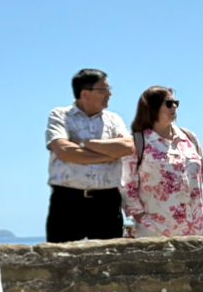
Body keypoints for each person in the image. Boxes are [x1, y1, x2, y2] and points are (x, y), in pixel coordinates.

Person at [44, 68, 135, 242]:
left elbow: (127, 147)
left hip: (106, 202)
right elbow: (65, 151)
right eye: (104, 90)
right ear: (85, 93)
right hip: (68, 201)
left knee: (109, 259)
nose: (109, 94)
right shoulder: (60, 116)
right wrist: (109, 155)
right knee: (62, 260)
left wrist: (84, 143)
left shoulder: (114, 119)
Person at [121, 85, 203, 237]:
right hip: (155, 230)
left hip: (195, 228)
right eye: (168, 103)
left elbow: (201, 175)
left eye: (176, 103)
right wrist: (142, 218)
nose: (174, 106)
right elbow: (127, 186)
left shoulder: (189, 138)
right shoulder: (138, 141)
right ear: (152, 108)